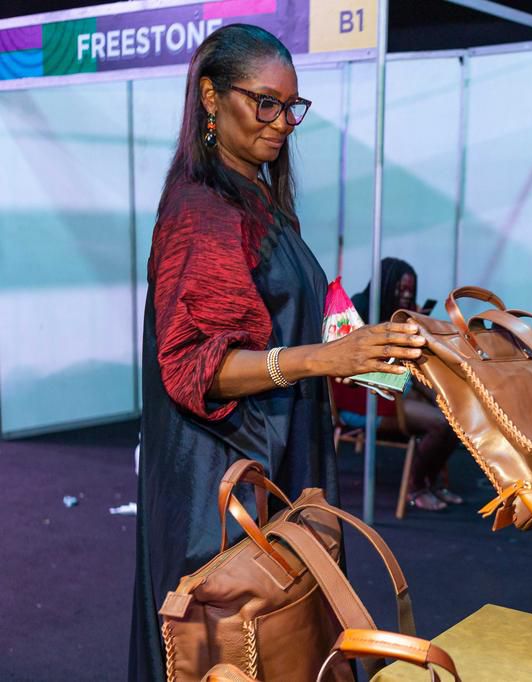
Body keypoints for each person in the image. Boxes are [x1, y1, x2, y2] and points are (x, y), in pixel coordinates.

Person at [130, 25, 425, 680]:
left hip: (270, 459)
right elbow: (190, 368)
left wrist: (369, 349)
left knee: (286, 641)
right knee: (242, 646)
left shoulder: (255, 196)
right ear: (210, 97)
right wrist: (323, 361)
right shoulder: (202, 211)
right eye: (264, 102)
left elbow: (276, 326)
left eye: (292, 106)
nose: (283, 122)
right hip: (227, 484)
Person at [340, 258, 462, 511]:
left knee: (455, 417)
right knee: (441, 423)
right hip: (367, 402)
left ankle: (429, 482)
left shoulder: (394, 313)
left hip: (389, 394)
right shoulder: (362, 309)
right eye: (401, 290)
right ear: (386, 285)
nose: (406, 296)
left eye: (410, 291)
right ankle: (415, 487)